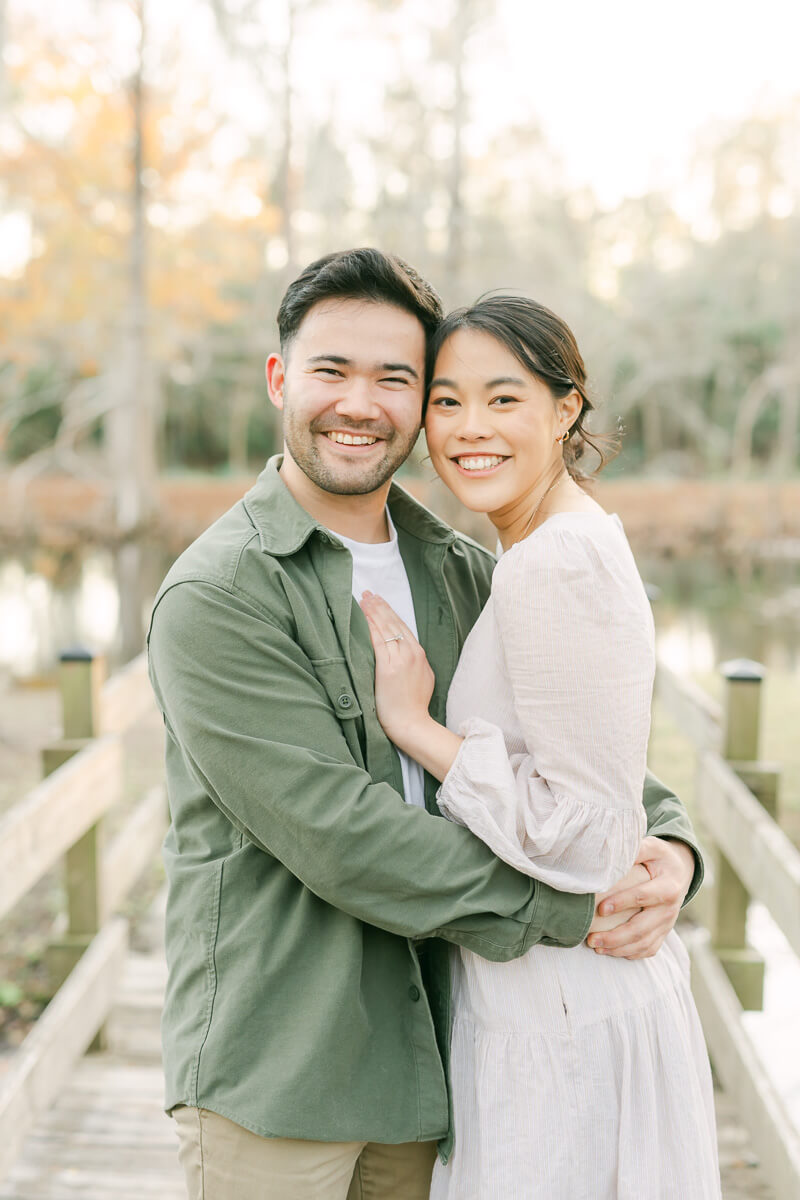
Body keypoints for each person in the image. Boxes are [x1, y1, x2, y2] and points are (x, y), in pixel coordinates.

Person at [147, 250, 705, 1200]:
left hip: (438, 1063)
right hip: (286, 1072)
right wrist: (573, 905)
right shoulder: (220, 594)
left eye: (396, 379)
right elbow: (343, 836)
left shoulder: (457, 562)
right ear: (281, 378)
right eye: (332, 371)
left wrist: (670, 842)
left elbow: (564, 739)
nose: (360, 403)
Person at [360, 293, 720, 1199]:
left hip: (565, 1010)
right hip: (543, 1000)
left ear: (567, 410)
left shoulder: (554, 562)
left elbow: (589, 836)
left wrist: (421, 733)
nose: (468, 428)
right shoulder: (543, 548)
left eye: (503, 398)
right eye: (445, 401)